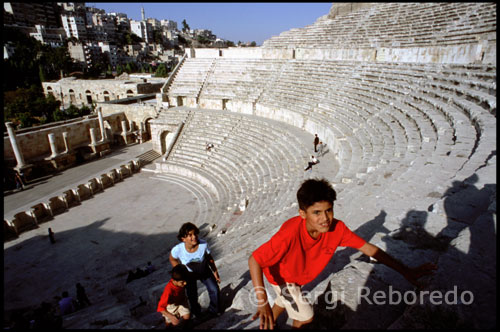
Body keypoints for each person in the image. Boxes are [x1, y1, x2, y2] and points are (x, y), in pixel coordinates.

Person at [248, 178, 437, 329]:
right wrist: (262, 300)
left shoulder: (337, 229)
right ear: (303, 213)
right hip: (282, 277)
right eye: (317, 212)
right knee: (305, 316)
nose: (325, 219)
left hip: (296, 277)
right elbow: (255, 259)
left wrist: (406, 271)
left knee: (285, 300)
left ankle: (267, 324)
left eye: (328, 210)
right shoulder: (289, 233)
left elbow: (370, 250)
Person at [169, 222, 221, 318]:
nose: (194, 237)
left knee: (214, 289)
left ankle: (214, 310)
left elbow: (209, 257)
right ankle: (197, 313)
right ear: (183, 238)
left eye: (195, 234)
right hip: (189, 274)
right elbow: (172, 258)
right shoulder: (178, 249)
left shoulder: (203, 244)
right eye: (190, 235)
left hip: (204, 270)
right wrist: (179, 270)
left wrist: (215, 271)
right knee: (192, 295)